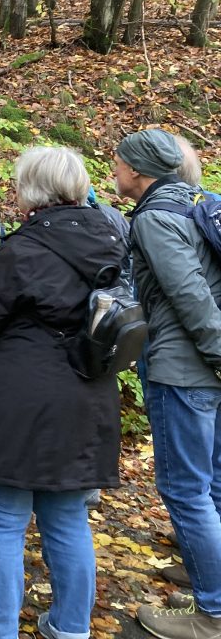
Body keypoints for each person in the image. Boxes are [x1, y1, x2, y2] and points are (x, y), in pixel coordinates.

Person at [0, 146, 126, 639]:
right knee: (68, 516)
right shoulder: (115, 240)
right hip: (87, 391)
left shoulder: (22, 249)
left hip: (19, 394)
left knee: (3, 520)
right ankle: (71, 627)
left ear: (29, 189)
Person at [111, 130, 221, 639]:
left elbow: (190, 296)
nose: (113, 171)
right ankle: (213, 584)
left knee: (185, 489)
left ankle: (212, 613)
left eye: (117, 164)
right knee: (214, 483)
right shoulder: (199, 202)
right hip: (206, 369)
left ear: (137, 170)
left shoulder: (156, 218)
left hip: (186, 370)